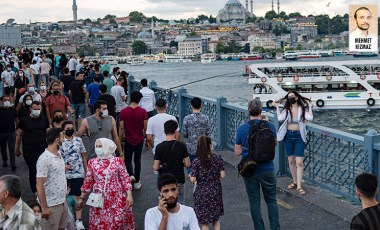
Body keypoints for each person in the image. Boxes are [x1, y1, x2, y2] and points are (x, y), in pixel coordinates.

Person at [234, 98, 280, 230]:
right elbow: (275, 143)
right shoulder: (270, 126)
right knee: (271, 200)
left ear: (248, 111)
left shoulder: (242, 128)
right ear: (261, 111)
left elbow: (237, 152)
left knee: (254, 203)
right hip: (268, 168)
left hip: (250, 169)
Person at [76, 138, 134, 230]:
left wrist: (129, 195)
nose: (98, 148)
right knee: (101, 223)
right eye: (97, 146)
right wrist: (81, 198)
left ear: (107, 147)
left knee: (118, 222)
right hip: (100, 199)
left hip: (117, 197)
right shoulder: (92, 162)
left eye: (100, 146)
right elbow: (88, 182)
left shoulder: (117, 161)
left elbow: (125, 178)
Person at [273, 91, 313, 195]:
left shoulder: (302, 109)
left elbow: (310, 118)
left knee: (299, 162)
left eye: (292, 96)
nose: (290, 98)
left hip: (299, 136)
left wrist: (310, 106)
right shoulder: (287, 109)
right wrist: (277, 107)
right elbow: (280, 118)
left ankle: (299, 186)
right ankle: (295, 181)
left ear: (296, 97)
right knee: (291, 160)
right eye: (289, 96)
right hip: (288, 136)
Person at [190, 136, 225, 230]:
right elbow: (222, 175)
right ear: (210, 145)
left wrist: (191, 176)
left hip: (202, 192)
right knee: (216, 220)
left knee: (204, 222)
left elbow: (193, 179)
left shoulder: (196, 161)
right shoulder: (218, 158)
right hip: (215, 190)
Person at [36, 128, 68, 230]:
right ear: (57, 140)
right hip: (51, 205)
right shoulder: (44, 159)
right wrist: (44, 207)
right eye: (63, 137)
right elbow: (39, 184)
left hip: (62, 202)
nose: (64, 139)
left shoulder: (59, 154)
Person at [15, 101, 49, 194]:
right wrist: (17, 149)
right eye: (35, 109)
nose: (37, 111)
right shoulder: (24, 120)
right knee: (33, 170)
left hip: (42, 149)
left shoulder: (44, 119)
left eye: (39, 109)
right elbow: (19, 135)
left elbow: (48, 133)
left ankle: (44, 188)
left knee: (43, 169)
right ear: (30, 109)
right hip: (29, 150)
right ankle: (35, 191)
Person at [153, 120, 190, 204]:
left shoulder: (159, 147)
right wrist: (180, 163)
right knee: (180, 204)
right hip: (179, 179)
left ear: (164, 132)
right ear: (175, 132)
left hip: (166, 180)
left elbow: (155, 167)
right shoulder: (181, 146)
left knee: (166, 203)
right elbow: (188, 164)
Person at [119, 91, 148, 190]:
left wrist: (119, 140)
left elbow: (122, 127)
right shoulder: (143, 111)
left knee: (127, 159)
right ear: (139, 100)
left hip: (128, 139)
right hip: (139, 139)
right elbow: (145, 127)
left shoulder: (123, 111)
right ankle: (137, 181)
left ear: (130, 98)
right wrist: (146, 139)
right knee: (137, 160)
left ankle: (131, 175)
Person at [60, 121, 86, 230]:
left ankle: (78, 220)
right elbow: (57, 157)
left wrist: (87, 168)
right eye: (68, 128)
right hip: (65, 174)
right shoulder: (60, 142)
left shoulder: (78, 140)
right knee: (66, 197)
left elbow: (83, 154)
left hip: (78, 173)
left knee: (78, 196)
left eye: (71, 127)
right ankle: (68, 220)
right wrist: (62, 166)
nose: (70, 129)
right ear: (63, 130)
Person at [182, 97, 210, 173]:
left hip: (191, 147)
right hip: (203, 146)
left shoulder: (187, 118)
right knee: (203, 166)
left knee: (191, 165)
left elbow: (184, 134)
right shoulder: (206, 118)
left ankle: (194, 180)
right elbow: (208, 133)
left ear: (191, 105)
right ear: (201, 105)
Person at [0, 95, 17, 171]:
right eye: (5, 100)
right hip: (1, 132)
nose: (7, 101)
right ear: (2, 101)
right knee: (3, 148)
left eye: (8, 100)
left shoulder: (13, 110)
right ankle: (5, 161)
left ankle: (13, 164)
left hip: (11, 132)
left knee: (11, 148)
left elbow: (16, 119)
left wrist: (17, 129)